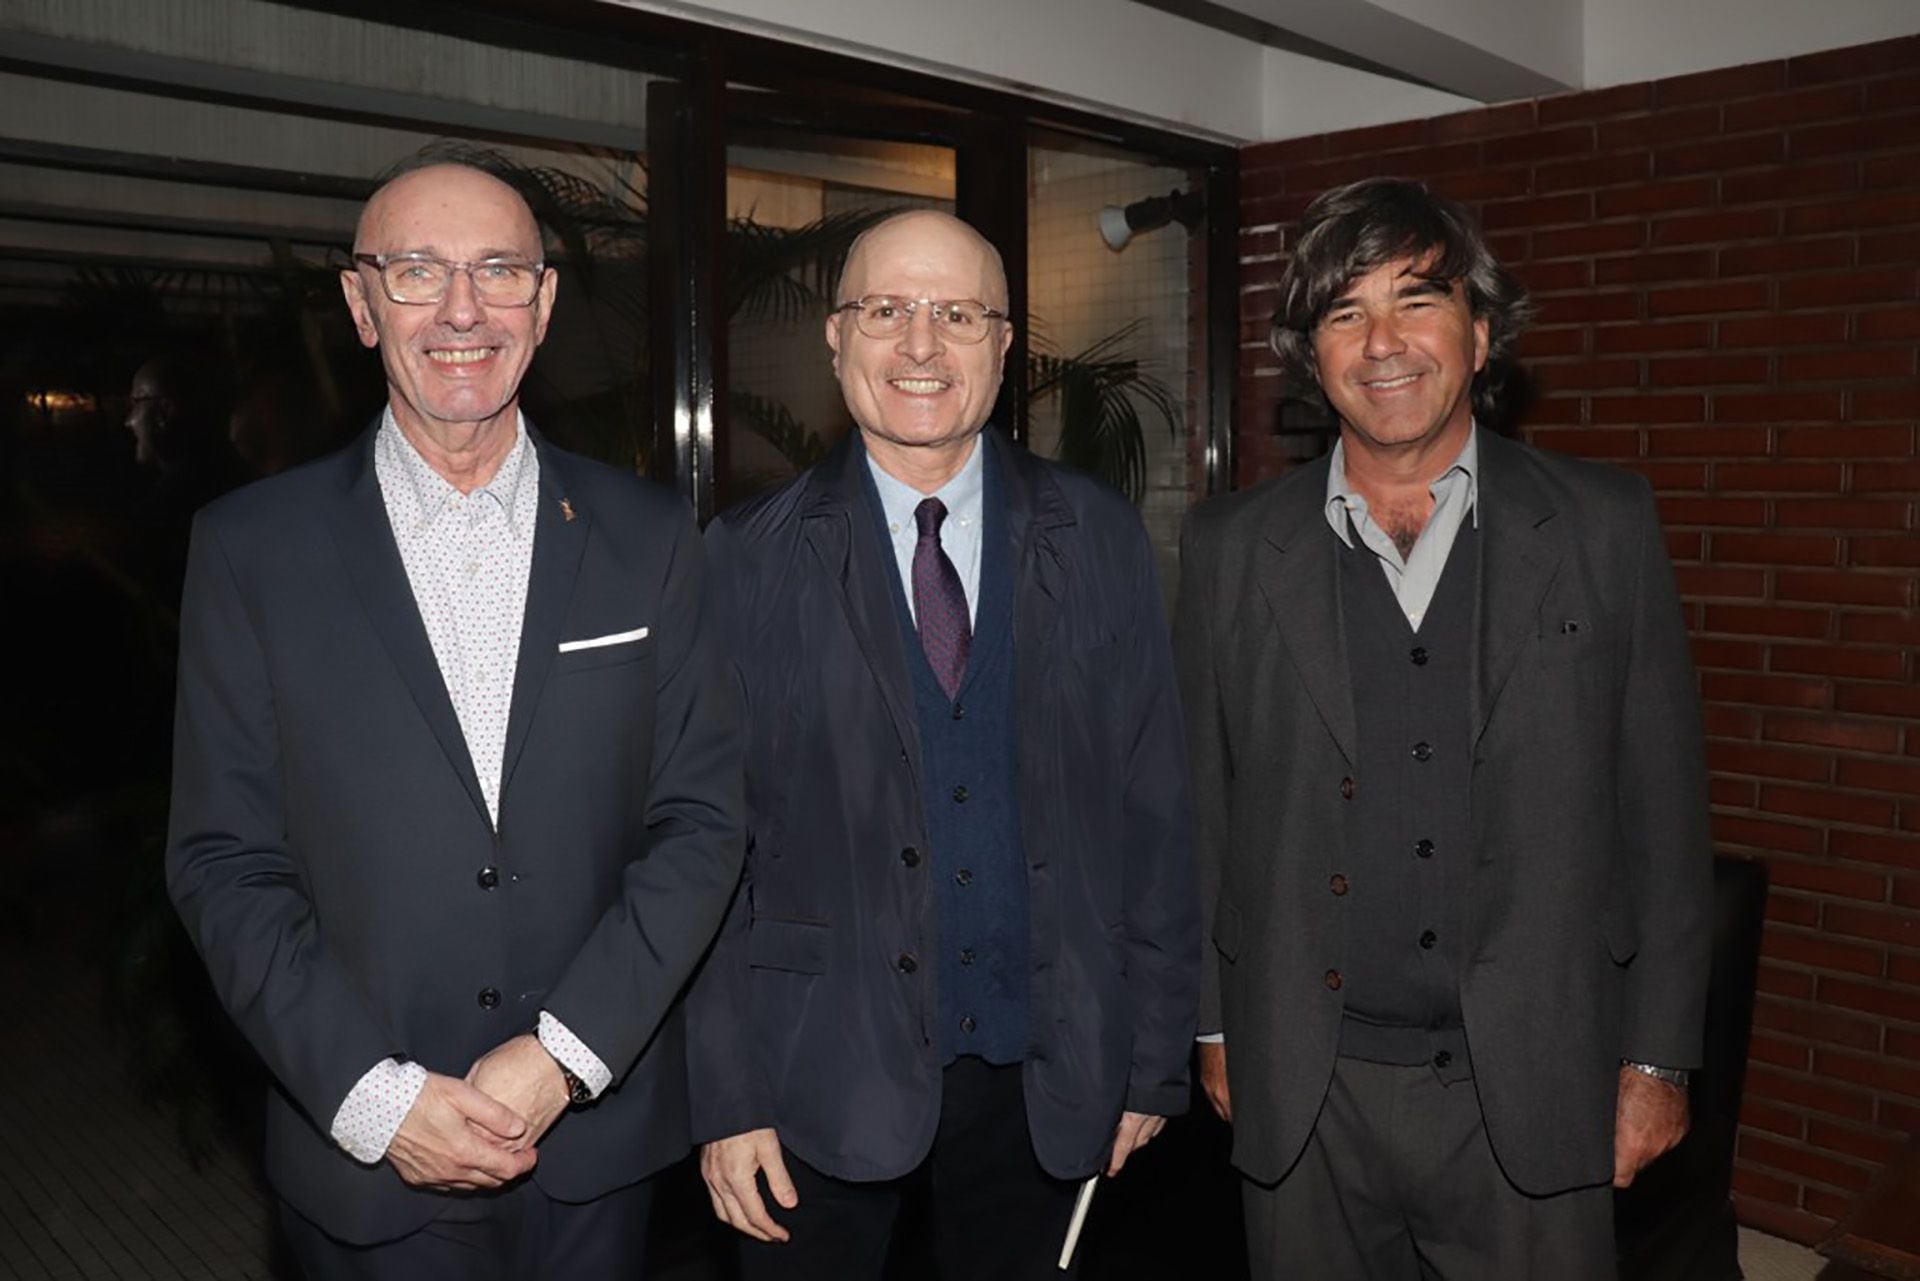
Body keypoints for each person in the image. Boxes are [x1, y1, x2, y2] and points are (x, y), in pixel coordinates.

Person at [166, 160, 742, 1279]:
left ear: (545, 301)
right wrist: (377, 1099)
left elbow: (705, 818)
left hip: (593, 1150)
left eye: (499, 271)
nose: (463, 310)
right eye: (419, 272)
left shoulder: (648, 536)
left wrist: (566, 1056)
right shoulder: (252, 551)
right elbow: (224, 860)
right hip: (369, 1165)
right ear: (361, 305)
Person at [1175, 177, 1712, 1279]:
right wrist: (1215, 1027)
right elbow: (1201, 807)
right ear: (1311, 354)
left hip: (1540, 1071)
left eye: (1416, 300)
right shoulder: (1230, 547)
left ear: (1478, 330)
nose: (1382, 342)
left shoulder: (1605, 526)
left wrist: (1659, 1060)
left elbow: (1662, 808)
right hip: (1305, 1083)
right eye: (1343, 312)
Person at [688, 209, 1198, 1280]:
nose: (920, 346)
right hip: (808, 1080)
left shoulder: (1098, 537)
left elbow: (1155, 811)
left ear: (1005, 349)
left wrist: (1152, 1064)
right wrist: (723, 1097)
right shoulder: (741, 561)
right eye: (886, 310)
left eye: (958, 314)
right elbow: (704, 853)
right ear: (834, 339)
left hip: (1047, 1075)